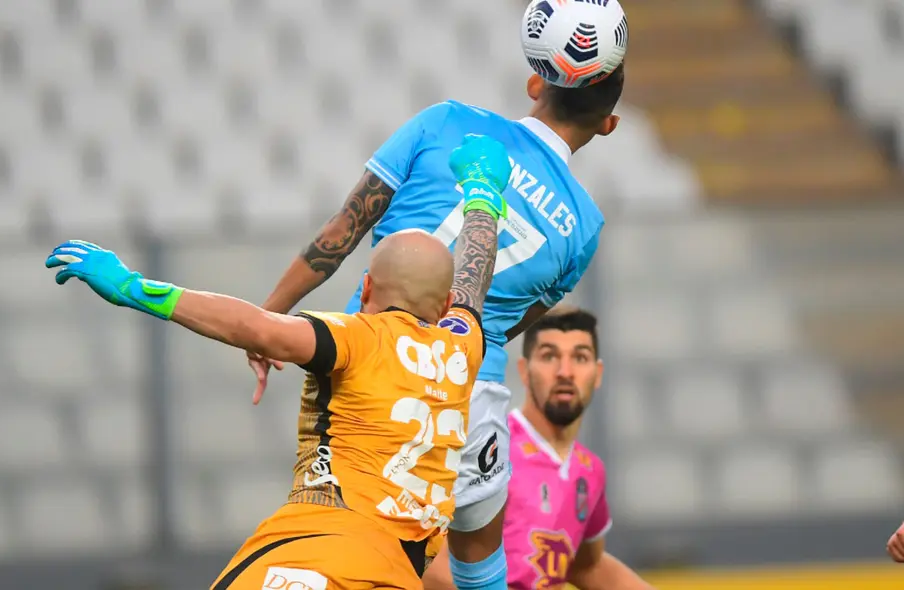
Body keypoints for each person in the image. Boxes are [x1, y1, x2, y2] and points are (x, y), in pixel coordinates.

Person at [45, 135, 512, 590]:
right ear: (446, 302)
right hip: (397, 572)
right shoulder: (465, 344)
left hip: (321, 550)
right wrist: (482, 195)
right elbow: (474, 272)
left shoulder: (355, 337)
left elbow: (256, 327)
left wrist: (133, 289)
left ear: (366, 289)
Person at [248, 60, 625, 589]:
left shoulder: (444, 122)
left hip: (377, 375)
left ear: (536, 83)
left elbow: (343, 230)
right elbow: (509, 323)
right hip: (471, 392)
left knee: (359, 537)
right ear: (608, 125)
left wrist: (271, 317)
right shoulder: (584, 225)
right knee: (478, 564)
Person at [423, 307, 653, 590]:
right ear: (524, 370)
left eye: (580, 357)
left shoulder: (589, 470)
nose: (565, 372)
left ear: (598, 373)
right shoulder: (489, 451)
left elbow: (586, 565)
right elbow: (434, 564)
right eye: (549, 356)